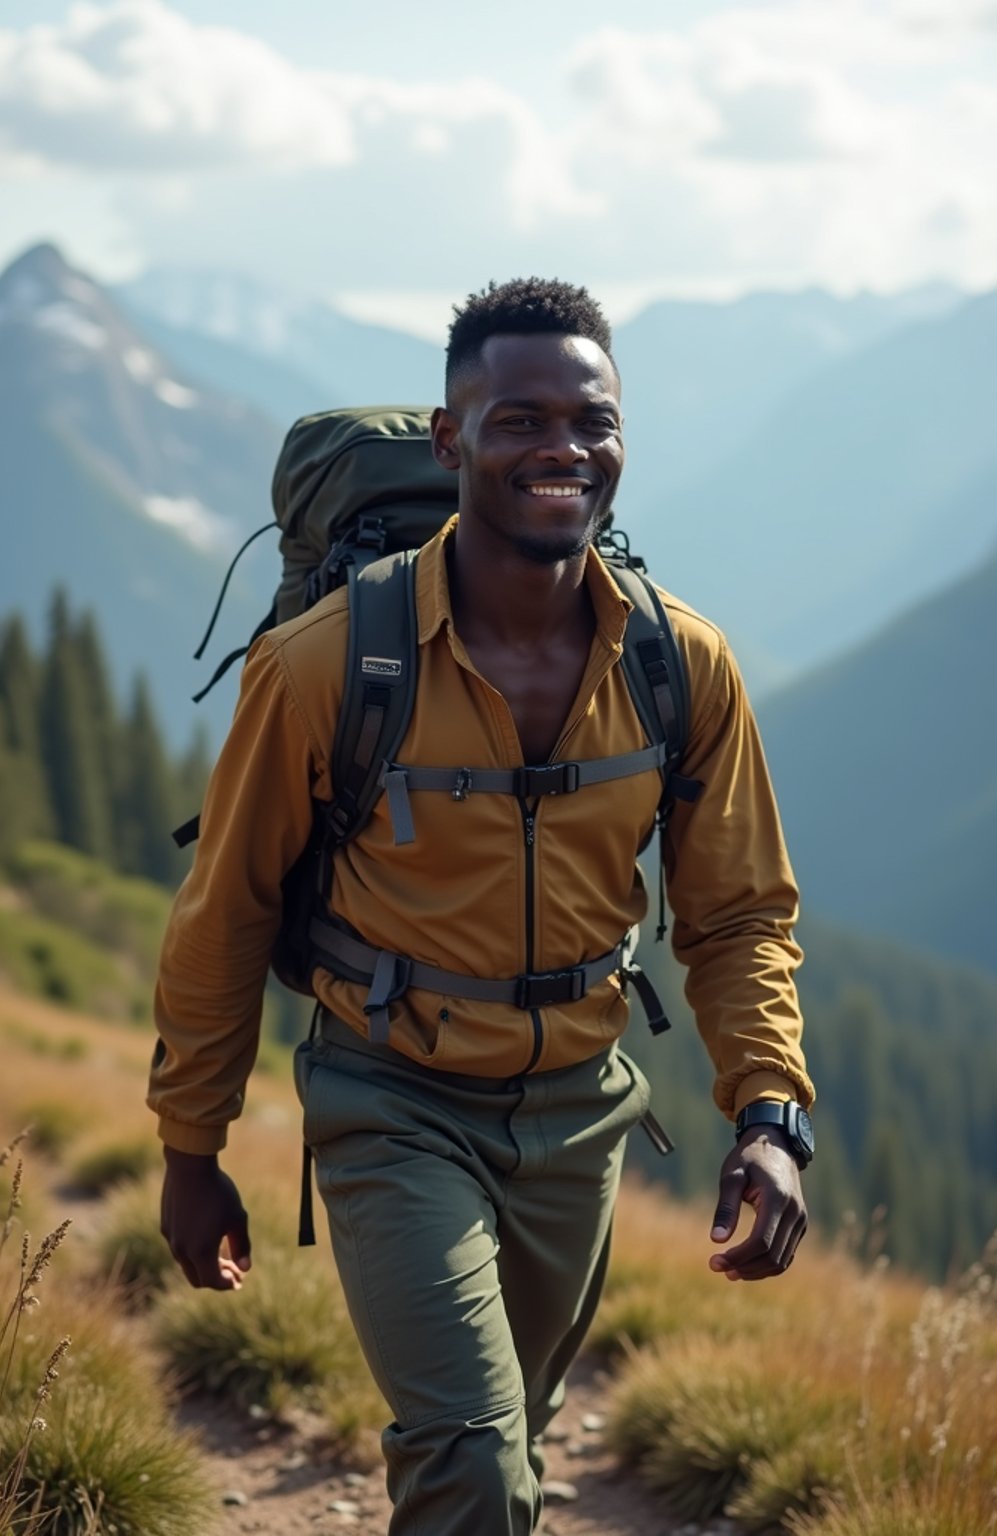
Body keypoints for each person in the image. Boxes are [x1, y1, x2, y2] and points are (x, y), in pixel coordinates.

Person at [150, 277, 815, 1536]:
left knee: (511, 1442)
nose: (562, 446)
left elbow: (736, 918)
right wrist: (193, 1147)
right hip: (391, 1095)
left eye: (591, 419)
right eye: (518, 420)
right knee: (469, 1462)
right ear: (453, 441)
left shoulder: (683, 664)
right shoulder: (325, 665)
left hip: (580, 1113)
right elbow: (225, 912)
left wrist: (771, 1112)